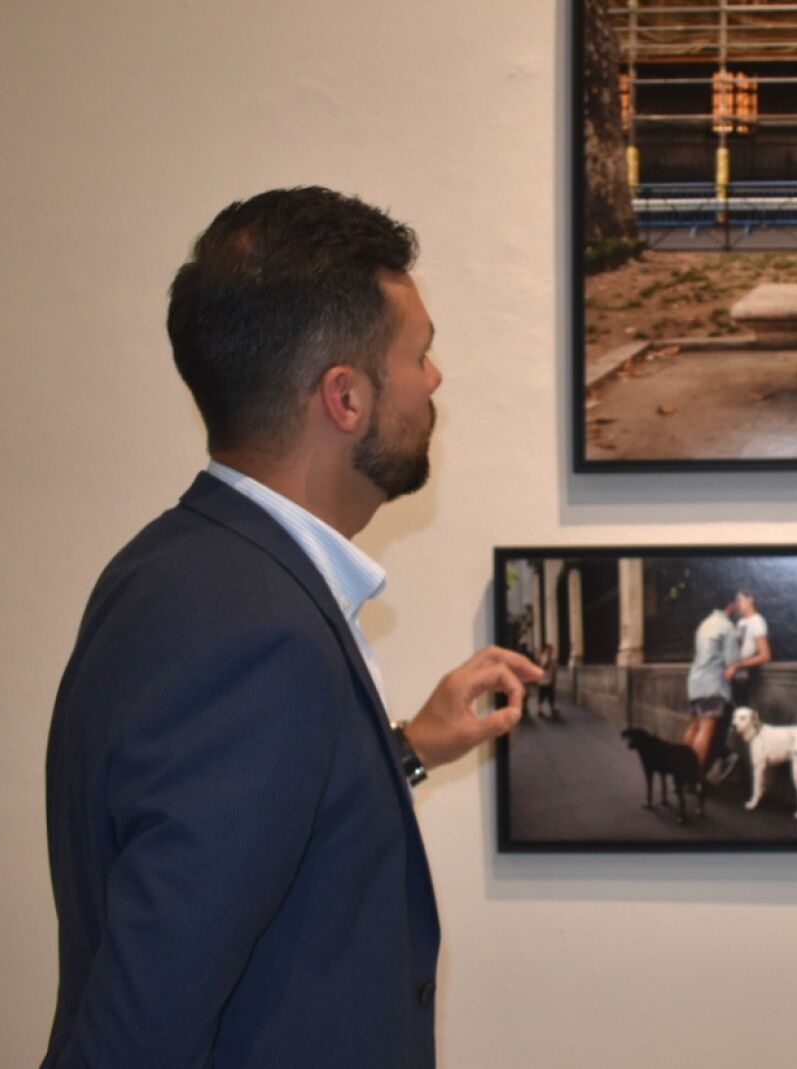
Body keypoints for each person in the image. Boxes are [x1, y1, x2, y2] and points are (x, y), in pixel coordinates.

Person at [42, 186, 541, 1067]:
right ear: (345, 397)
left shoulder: (176, 568)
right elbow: (141, 1027)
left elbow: (252, 829)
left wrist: (408, 748)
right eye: (420, 353)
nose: (434, 379)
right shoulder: (256, 635)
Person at [684, 595, 743, 778]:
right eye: (737, 602)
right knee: (705, 730)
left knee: (693, 727)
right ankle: (694, 777)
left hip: (695, 683)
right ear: (731, 604)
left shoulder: (704, 624)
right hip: (713, 684)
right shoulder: (727, 627)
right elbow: (732, 662)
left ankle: (681, 773)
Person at [726, 589, 772, 709]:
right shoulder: (741, 622)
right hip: (734, 676)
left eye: (739, 600)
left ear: (750, 599)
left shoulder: (757, 621)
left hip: (746, 678)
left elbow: (765, 655)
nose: (737, 604)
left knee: (742, 712)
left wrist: (737, 665)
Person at [533, 641, 560, 720]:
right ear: (546, 649)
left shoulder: (546, 657)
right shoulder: (545, 657)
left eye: (552, 649)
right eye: (550, 649)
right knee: (548, 695)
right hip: (545, 680)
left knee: (545, 695)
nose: (551, 651)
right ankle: (549, 710)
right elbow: (544, 666)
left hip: (546, 680)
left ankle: (542, 710)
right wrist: (549, 661)